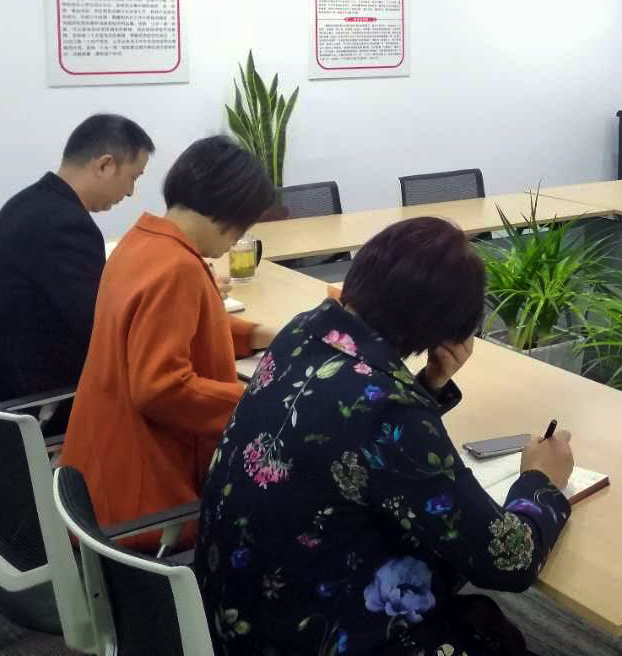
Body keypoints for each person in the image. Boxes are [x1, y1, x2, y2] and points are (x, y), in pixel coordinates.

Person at [196, 217, 575, 656]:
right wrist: (541, 481)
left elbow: (352, 443)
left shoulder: (303, 333)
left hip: (229, 619)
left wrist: (428, 386)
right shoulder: (390, 412)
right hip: (309, 634)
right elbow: (507, 561)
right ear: (447, 329)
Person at [59, 136, 275, 539]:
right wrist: (258, 402)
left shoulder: (141, 241)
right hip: (145, 500)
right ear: (229, 215)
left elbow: (177, 325)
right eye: (244, 226)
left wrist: (259, 334)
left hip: (99, 475)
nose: (236, 240)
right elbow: (160, 388)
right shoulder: (178, 267)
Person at [0, 114, 153, 410]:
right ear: (105, 165)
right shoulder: (66, 225)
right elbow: (103, 329)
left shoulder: (31, 202)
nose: (130, 192)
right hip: (29, 403)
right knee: (160, 392)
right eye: (134, 177)